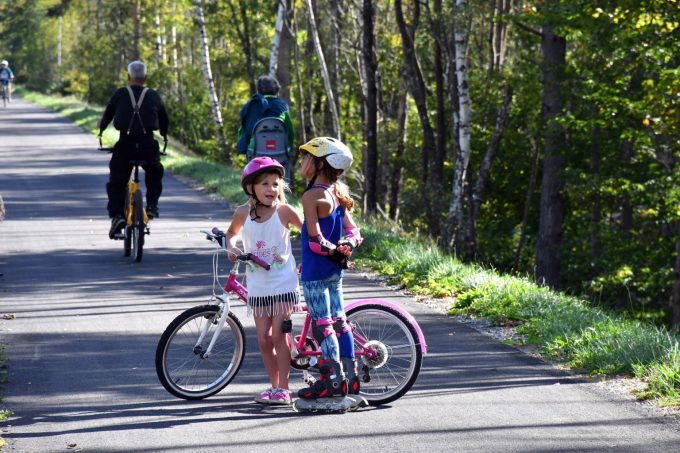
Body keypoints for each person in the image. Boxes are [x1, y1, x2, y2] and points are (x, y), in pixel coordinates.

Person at [225, 156, 303, 405]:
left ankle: (285, 388)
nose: (272, 189)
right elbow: (231, 234)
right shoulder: (242, 213)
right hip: (258, 286)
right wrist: (231, 247)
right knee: (263, 338)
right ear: (251, 188)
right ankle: (273, 385)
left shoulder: (284, 211)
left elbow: (310, 232)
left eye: (276, 183)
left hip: (283, 283)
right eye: (265, 184)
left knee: (279, 336)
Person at [296, 137, 364, 400]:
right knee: (340, 322)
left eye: (307, 158)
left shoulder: (312, 195)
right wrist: (345, 246)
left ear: (321, 163)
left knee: (322, 325)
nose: (303, 163)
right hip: (335, 272)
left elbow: (314, 241)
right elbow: (354, 232)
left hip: (315, 272)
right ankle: (351, 378)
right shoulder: (336, 193)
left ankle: (331, 381)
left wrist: (333, 249)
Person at [98, 61, 168, 239]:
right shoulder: (153, 95)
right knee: (155, 171)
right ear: (145, 78)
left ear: (129, 77)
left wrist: (101, 130)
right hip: (147, 145)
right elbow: (164, 119)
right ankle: (152, 206)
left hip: (125, 144)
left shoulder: (120, 94)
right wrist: (164, 135)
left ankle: (117, 216)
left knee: (116, 181)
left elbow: (107, 115)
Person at [236, 75, 295, 158]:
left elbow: (242, 131)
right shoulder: (283, 106)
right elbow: (290, 130)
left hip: (255, 151)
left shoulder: (249, 106)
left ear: (258, 89)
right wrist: (290, 147)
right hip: (279, 150)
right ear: (276, 90)